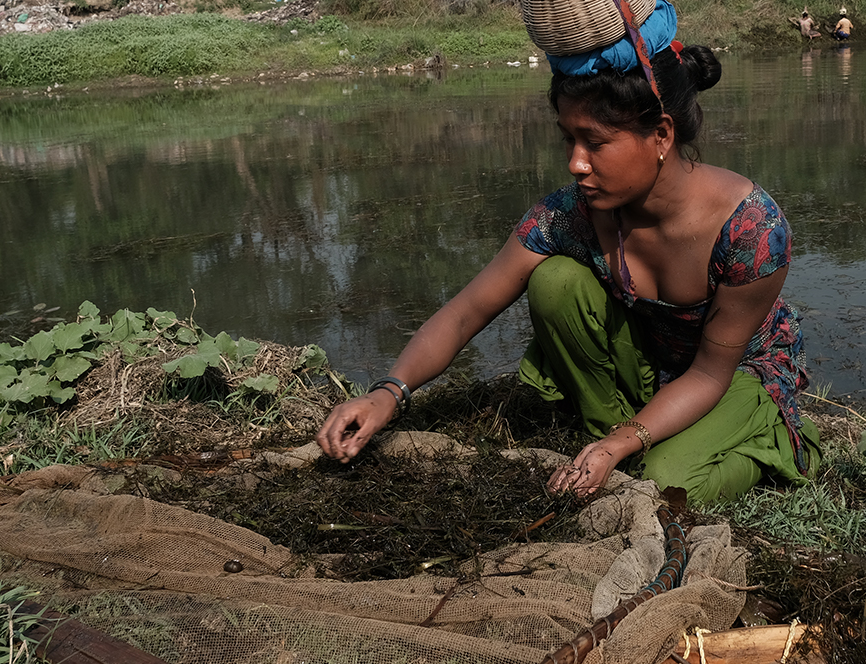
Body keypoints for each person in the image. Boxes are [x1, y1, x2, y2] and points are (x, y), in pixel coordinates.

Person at [316, 26, 820, 505]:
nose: (576, 163)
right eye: (568, 140)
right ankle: (611, 436)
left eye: (595, 143)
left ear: (661, 135)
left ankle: (769, 439)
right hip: (653, 361)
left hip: (733, 374)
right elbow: (467, 312)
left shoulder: (752, 231)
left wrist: (623, 443)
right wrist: (388, 394)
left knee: (661, 483)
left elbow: (710, 373)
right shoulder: (570, 215)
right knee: (556, 281)